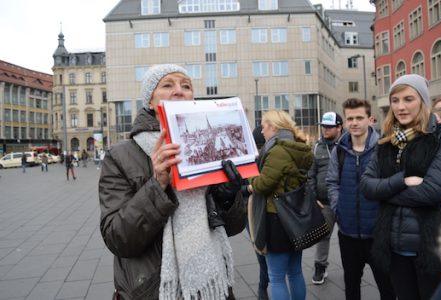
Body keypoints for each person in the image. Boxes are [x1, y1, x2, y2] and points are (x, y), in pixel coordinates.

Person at [98, 64, 246, 300]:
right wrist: (157, 185)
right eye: (168, 85)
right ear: (149, 101)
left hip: (212, 285)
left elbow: (235, 227)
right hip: (153, 290)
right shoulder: (120, 156)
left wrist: (227, 197)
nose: (179, 91)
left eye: (186, 86)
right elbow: (118, 238)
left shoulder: (211, 148)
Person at [360, 74, 441, 300]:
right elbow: (366, 186)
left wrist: (384, 192)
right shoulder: (386, 140)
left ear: (423, 100)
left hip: (432, 248)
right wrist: (401, 181)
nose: (400, 107)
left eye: (408, 99)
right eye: (395, 100)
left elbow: (431, 192)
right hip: (393, 246)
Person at [326, 98, 395, 300]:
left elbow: (390, 185)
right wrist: (339, 208)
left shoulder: (384, 149)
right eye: (350, 119)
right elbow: (331, 182)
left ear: (370, 119)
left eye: (359, 118)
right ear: (345, 122)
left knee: (387, 287)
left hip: (377, 234)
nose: (354, 123)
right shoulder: (339, 150)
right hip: (348, 234)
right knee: (351, 286)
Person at [246, 110, 313, 300]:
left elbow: (263, 184)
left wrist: (250, 177)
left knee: (276, 277)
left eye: (264, 126)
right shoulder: (296, 145)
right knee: (295, 272)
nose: (262, 131)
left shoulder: (277, 150)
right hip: (294, 215)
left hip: (276, 218)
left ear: (273, 127)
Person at [308, 111, 343, 285]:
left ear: (339, 128)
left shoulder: (346, 145)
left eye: (329, 127)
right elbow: (310, 174)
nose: (325, 130)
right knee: (323, 235)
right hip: (325, 202)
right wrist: (314, 197)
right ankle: (320, 267)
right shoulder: (316, 147)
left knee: (350, 237)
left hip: (345, 201)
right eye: (323, 126)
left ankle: (353, 266)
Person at [249, 125, 269, 300]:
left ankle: (265, 286)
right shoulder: (248, 159)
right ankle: (263, 287)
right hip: (253, 211)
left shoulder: (273, 156)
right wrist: (249, 188)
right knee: (261, 251)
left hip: (271, 210)